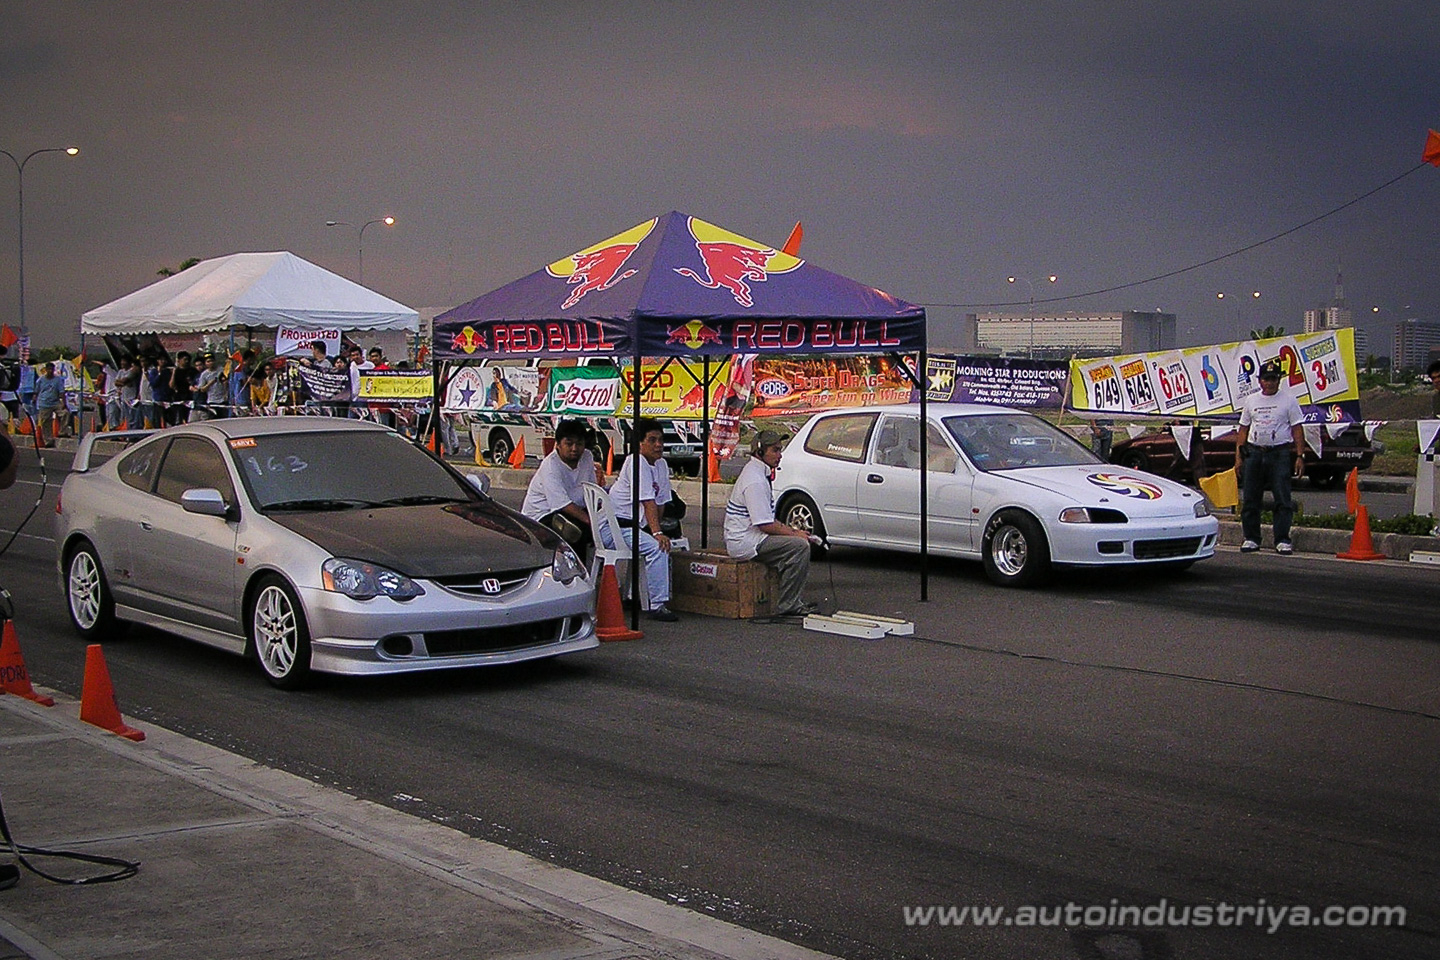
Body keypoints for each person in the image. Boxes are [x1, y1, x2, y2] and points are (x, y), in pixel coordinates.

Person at [724, 430, 818, 617]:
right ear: (760, 452)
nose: (779, 455)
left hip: (753, 537)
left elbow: (767, 519)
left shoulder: (759, 473)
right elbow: (764, 524)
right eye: (774, 450)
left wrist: (792, 531)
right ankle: (788, 604)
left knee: (794, 543)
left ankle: (780, 596)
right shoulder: (755, 480)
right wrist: (795, 534)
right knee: (799, 547)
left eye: (780, 450)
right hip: (745, 541)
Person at [606, 416, 677, 621]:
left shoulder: (661, 465)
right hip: (617, 527)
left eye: (661, 440)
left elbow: (661, 502)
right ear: (640, 443)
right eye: (652, 440)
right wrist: (656, 533)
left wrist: (655, 529)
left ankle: (634, 594)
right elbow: (647, 501)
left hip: (636, 526)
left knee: (659, 542)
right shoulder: (635, 461)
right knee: (657, 547)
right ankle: (657, 604)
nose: (658, 445)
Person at [1235, 359, 1306, 555]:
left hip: (1279, 453)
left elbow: (1297, 429)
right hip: (1254, 452)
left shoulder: (1289, 401)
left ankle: (1282, 539)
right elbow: (1243, 429)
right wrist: (1238, 457)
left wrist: (1300, 456)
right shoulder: (1251, 401)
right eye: (1266, 379)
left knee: (1282, 498)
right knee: (1250, 498)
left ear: (1279, 380)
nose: (1270, 383)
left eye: (1273, 379)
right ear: (1260, 381)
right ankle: (1251, 538)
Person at [521, 418, 596, 553]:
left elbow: (592, 492)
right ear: (558, 445)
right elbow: (563, 505)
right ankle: (575, 571)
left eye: (579, 444)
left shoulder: (587, 457)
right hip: (543, 516)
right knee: (573, 530)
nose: (574, 449)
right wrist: (591, 521)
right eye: (569, 444)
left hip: (573, 510)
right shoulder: (550, 466)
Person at [34, 362, 65, 445]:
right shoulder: (41, 379)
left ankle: (62, 431)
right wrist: (34, 399)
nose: (50, 371)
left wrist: (64, 403)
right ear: (46, 370)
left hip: (55, 402)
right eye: (49, 369)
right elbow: (36, 391)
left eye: (52, 369)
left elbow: (62, 392)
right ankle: (48, 440)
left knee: (65, 413)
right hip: (44, 403)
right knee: (46, 422)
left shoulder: (57, 379)